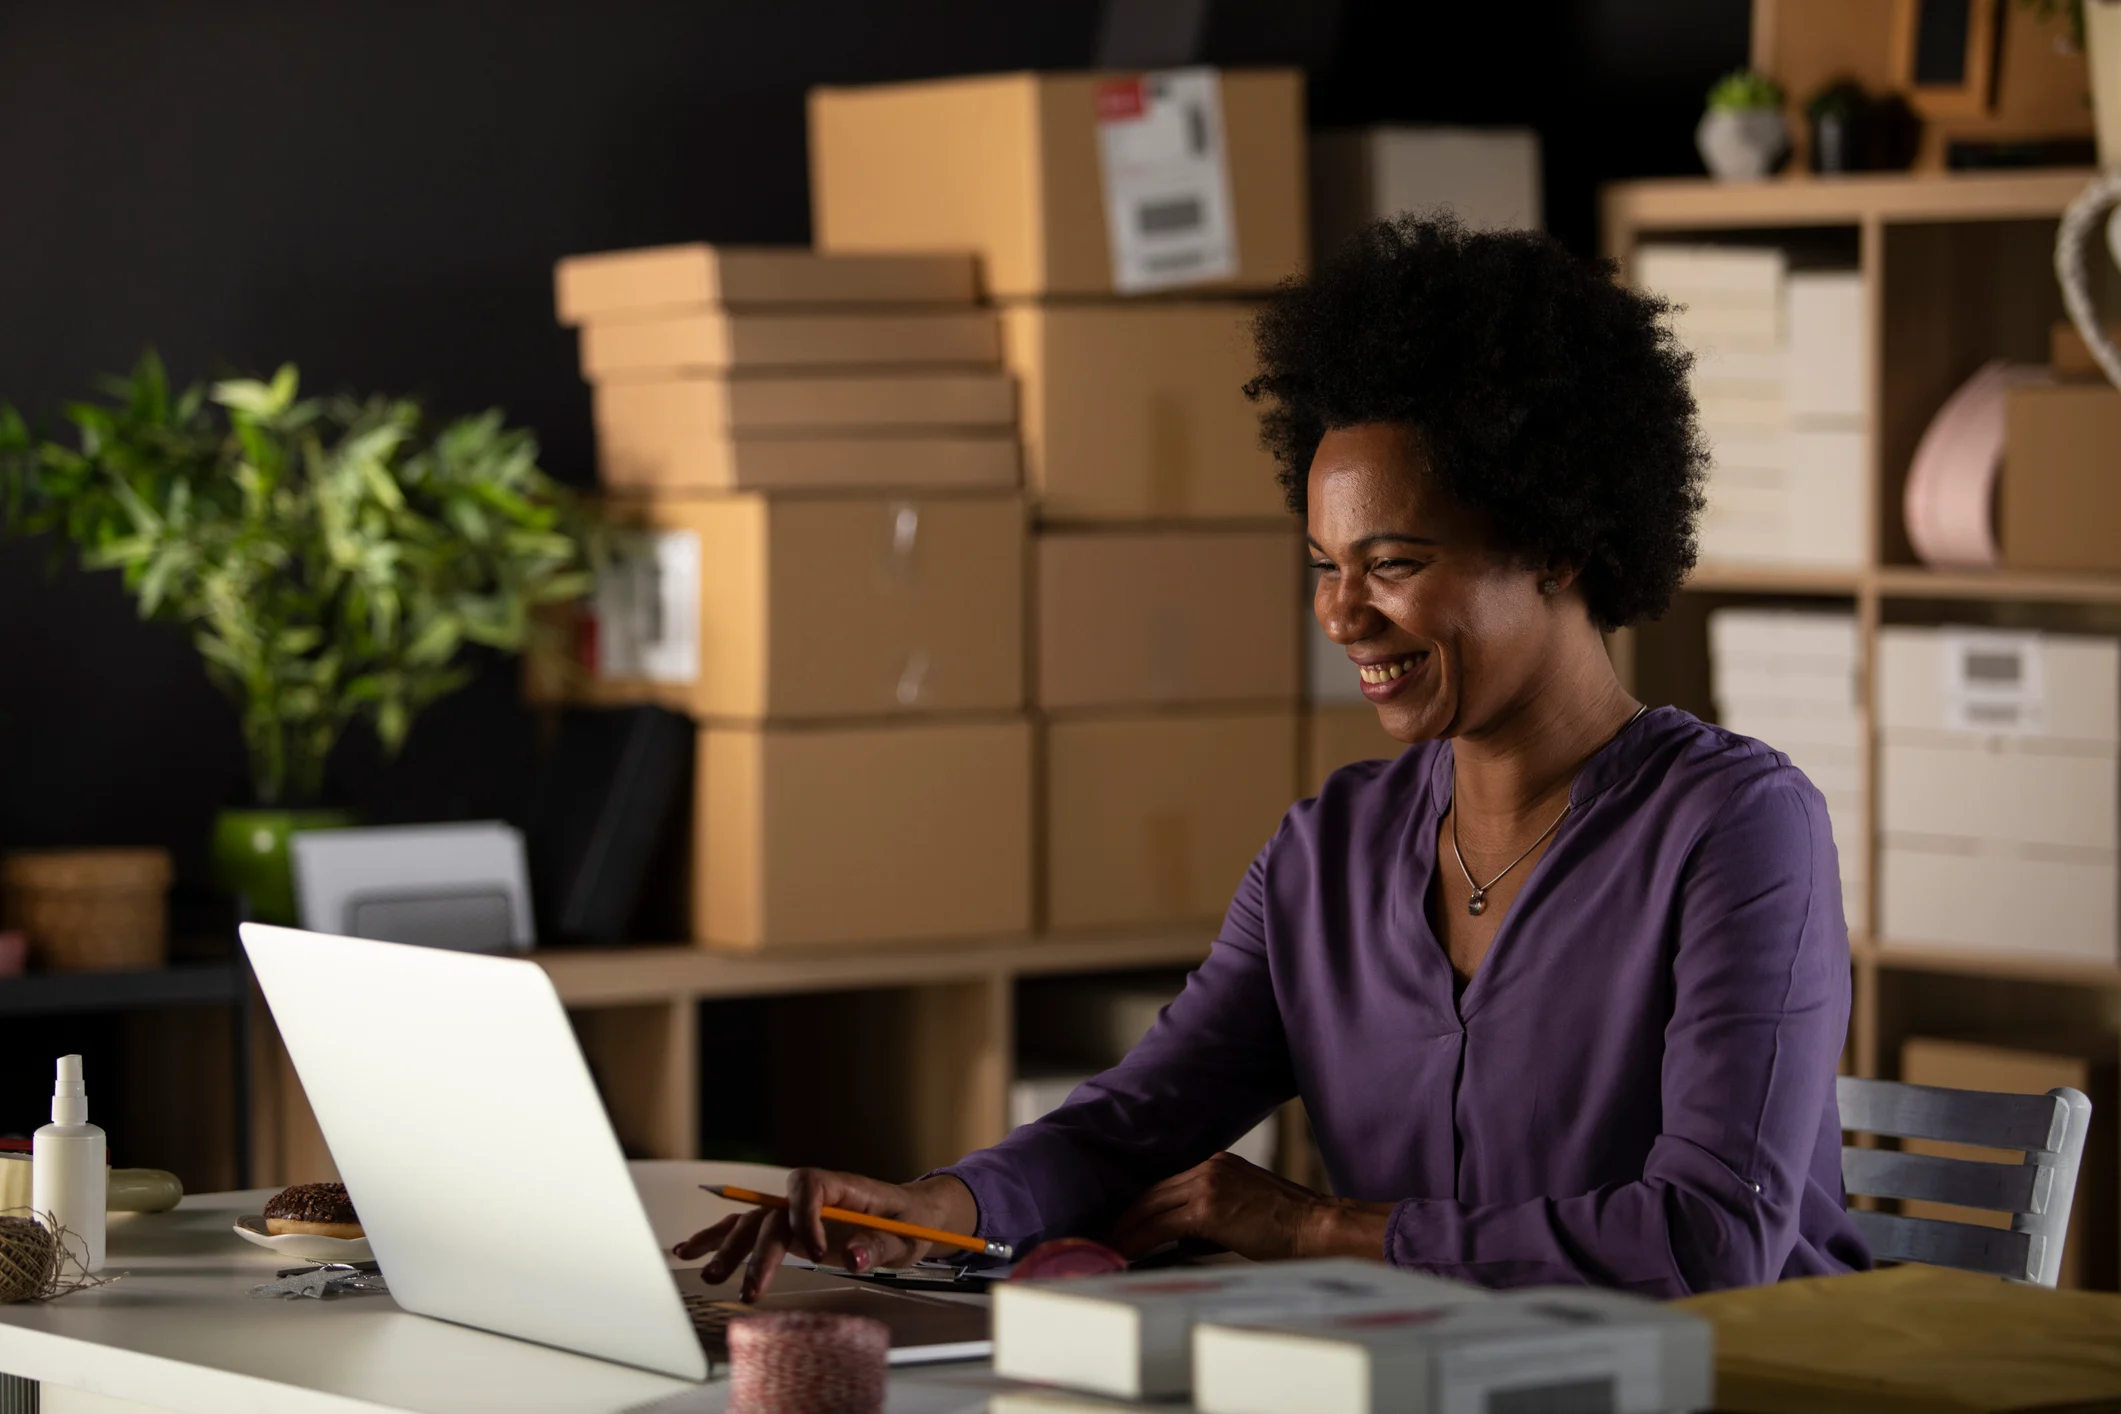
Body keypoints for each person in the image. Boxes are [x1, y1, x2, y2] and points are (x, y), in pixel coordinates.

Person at [678, 214, 1870, 1301]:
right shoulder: (1329, 852)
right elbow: (1132, 1124)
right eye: (1324, 564)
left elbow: (1709, 1239)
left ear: (1556, 546)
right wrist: (937, 1208)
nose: (1342, 613)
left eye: (1393, 563)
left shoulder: (1738, 828)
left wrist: (1308, 1226)